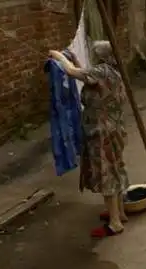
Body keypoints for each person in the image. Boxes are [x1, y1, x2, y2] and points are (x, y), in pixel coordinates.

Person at [49, 41, 129, 238]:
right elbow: (85, 74)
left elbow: (72, 72)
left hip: (102, 132)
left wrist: (59, 57)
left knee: (106, 172)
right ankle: (119, 212)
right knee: (115, 168)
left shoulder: (101, 72)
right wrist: (75, 59)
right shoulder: (113, 71)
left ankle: (115, 223)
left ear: (98, 56)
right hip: (115, 129)